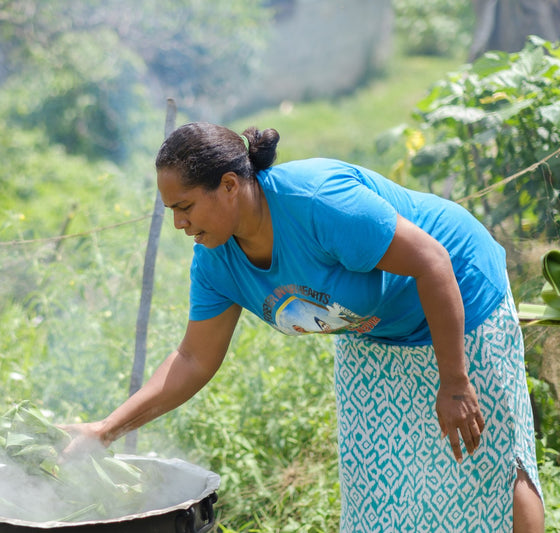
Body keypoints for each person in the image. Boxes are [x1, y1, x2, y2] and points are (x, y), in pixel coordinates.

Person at [65, 122, 545, 532]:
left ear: (230, 185)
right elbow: (193, 359)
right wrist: (106, 431)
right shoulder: (216, 262)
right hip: (374, 332)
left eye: (185, 207)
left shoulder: (318, 202)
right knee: (380, 488)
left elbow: (433, 262)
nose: (179, 224)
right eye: (171, 211)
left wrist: (456, 382)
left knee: (492, 464)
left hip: (457, 294)